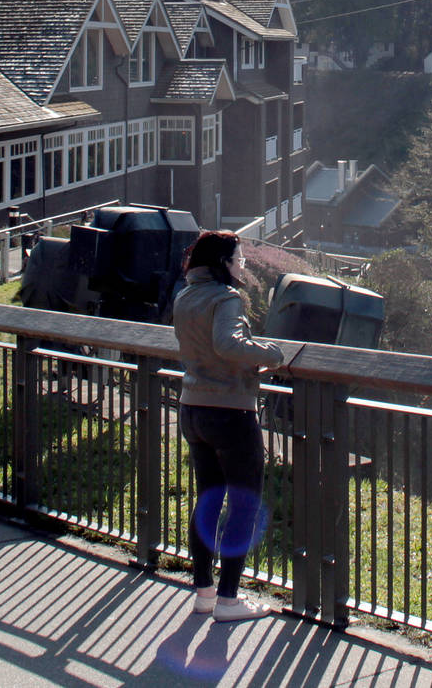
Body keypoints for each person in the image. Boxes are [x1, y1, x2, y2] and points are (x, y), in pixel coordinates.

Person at [172, 231, 284, 622]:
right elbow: (228, 344)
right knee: (243, 506)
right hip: (230, 413)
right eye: (238, 259)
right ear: (222, 262)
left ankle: (204, 592)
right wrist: (272, 353)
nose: (242, 266)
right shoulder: (226, 298)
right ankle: (229, 600)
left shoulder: (185, 296)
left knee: (207, 501)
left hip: (192, 409)